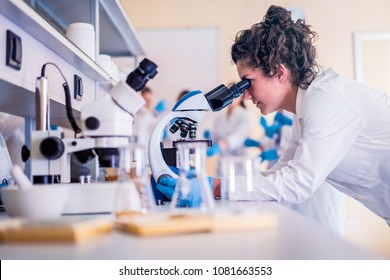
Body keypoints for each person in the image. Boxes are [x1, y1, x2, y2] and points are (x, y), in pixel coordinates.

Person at [230, 5, 390, 226]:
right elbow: (284, 170)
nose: (245, 95)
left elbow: (298, 183)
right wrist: (218, 183)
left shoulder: (326, 99)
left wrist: (218, 186)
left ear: (278, 72)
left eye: (248, 82)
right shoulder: (304, 106)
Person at [133, 86, 166, 162]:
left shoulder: (151, 116)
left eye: (150, 100)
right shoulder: (136, 113)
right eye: (146, 100)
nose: (148, 103)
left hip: (147, 155)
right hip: (135, 153)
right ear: (140, 98)